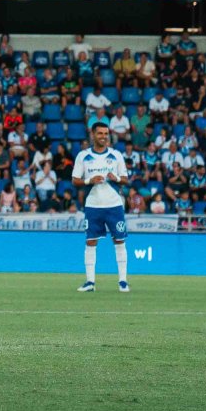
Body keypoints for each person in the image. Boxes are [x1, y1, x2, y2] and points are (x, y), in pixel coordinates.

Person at [74, 123, 131, 293]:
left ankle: (123, 281)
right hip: (93, 205)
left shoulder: (116, 155)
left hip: (114, 205)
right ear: (93, 134)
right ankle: (90, 282)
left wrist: (116, 178)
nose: (103, 136)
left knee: (119, 240)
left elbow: (125, 179)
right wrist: (88, 181)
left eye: (106, 133)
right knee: (90, 241)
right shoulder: (83, 156)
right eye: (100, 133)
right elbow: (75, 180)